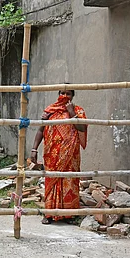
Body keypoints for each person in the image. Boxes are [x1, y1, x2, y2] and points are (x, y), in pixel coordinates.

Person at [30, 89, 87, 224]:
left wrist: (71, 112)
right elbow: (40, 130)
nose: (65, 96)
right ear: (58, 94)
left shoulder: (78, 111)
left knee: (69, 181)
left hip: (70, 155)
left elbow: (82, 129)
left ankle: (69, 215)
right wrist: (34, 149)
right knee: (51, 181)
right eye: (62, 93)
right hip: (52, 155)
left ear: (73, 96)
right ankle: (49, 213)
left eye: (68, 94)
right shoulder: (50, 111)